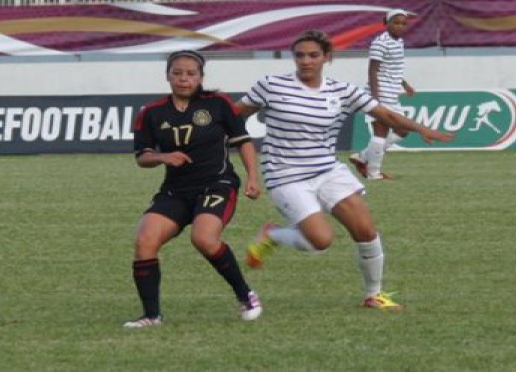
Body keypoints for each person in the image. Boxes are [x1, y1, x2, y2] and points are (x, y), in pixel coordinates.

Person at [235, 30, 453, 311]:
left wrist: (422, 129)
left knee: (366, 229)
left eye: (313, 55)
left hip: (327, 170)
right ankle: (273, 235)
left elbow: (384, 114)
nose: (306, 61)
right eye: (300, 55)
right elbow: (233, 114)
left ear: (327, 57)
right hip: (285, 175)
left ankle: (373, 295)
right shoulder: (271, 85)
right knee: (320, 241)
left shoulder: (342, 91)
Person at [124, 50, 263, 328]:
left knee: (204, 239)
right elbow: (142, 157)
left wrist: (252, 177)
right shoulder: (151, 113)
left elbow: (243, 141)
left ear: (201, 77)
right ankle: (151, 316)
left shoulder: (218, 104)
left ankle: (246, 295)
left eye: (190, 74)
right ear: (167, 75)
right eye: (177, 73)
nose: (183, 79)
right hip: (175, 191)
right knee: (144, 241)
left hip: (217, 185)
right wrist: (163, 157)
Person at [349, 8, 415, 179]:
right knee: (381, 132)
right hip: (380, 93)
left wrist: (405, 84)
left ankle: (363, 157)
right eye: (396, 22)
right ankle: (374, 173)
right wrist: (375, 97)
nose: (400, 26)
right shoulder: (380, 42)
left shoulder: (398, 42)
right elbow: (373, 70)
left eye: (403, 23)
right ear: (387, 24)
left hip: (392, 94)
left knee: (403, 130)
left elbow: (392, 68)